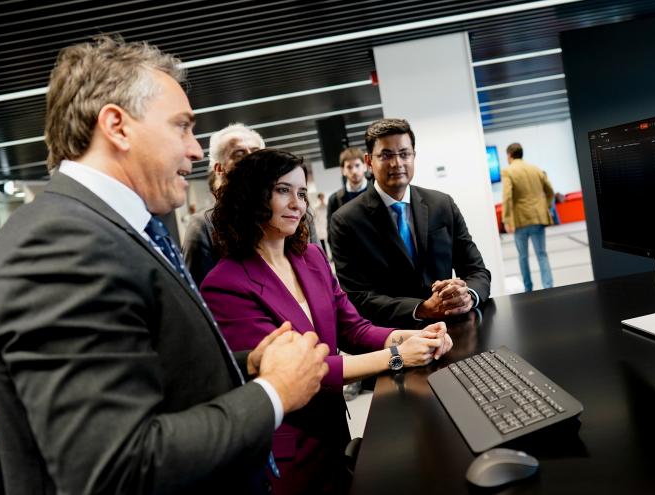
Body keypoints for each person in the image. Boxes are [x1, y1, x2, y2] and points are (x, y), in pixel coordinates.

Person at [0, 35, 330, 494]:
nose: (197, 150)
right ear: (117, 126)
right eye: (182, 127)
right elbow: (115, 464)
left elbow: (148, 373)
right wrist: (275, 392)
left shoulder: (106, 228)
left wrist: (249, 364)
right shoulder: (58, 244)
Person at [200, 148, 452, 494]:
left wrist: (413, 336)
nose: (297, 204)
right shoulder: (225, 284)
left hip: (333, 434)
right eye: (283, 190)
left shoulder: (311, 258)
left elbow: (353, 328)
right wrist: (396, 357)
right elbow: (301, 369)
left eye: (302, 193)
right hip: (285, 454)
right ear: (251, 196)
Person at [329, 118, 491, 327]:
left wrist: (467, 294)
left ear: (414, 156)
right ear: (369, 161)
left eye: (404, 154)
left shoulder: (442, 204)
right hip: (393, 336)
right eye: (386, 155)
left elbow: (476, 270)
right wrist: (421, 308)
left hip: (453, 327)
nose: (397, 163)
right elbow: (357, 296)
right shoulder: (346, 221)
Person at [183, 123, 264, 285]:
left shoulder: (292, 213)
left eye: (256, 152)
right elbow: (201, 294)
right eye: (239, 153)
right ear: (219, 168)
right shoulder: (204, 226)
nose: (251, 158)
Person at [501, 143, 555, 292]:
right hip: (538, 218)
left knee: (523, 257)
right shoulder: (536, 169)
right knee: (542, 254)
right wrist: (546, 207)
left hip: (520, 220)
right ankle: (548, 287)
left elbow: (507, 197)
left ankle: (528, 288)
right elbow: (550, 191)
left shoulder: (508, 171)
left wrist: (506, 219)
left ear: (509, 155)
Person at [327, 147, 368, 226]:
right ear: (343, 171)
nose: (354, 171)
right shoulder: (334, 200)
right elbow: (331, 233)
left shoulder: (378, 191)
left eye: (357, 165)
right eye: (349, 167)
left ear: (365, 166)